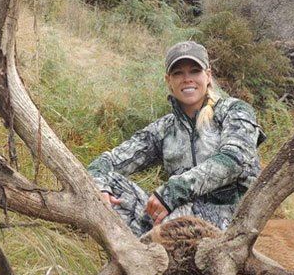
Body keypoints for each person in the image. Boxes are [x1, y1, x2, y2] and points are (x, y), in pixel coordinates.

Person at [87, 41, 266, 237]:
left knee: (175, 222)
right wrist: (100, 188)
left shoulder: (234, 111)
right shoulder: (164, 129)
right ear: (168, 80)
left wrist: (173, 191)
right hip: (178, 217)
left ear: (208, 75)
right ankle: (137, 251)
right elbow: (109, 162)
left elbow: (234, 160)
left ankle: (152, 245)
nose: (187, 79)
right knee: (105, 186)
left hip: (232, 219)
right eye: (178, 73)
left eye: (195, 71)